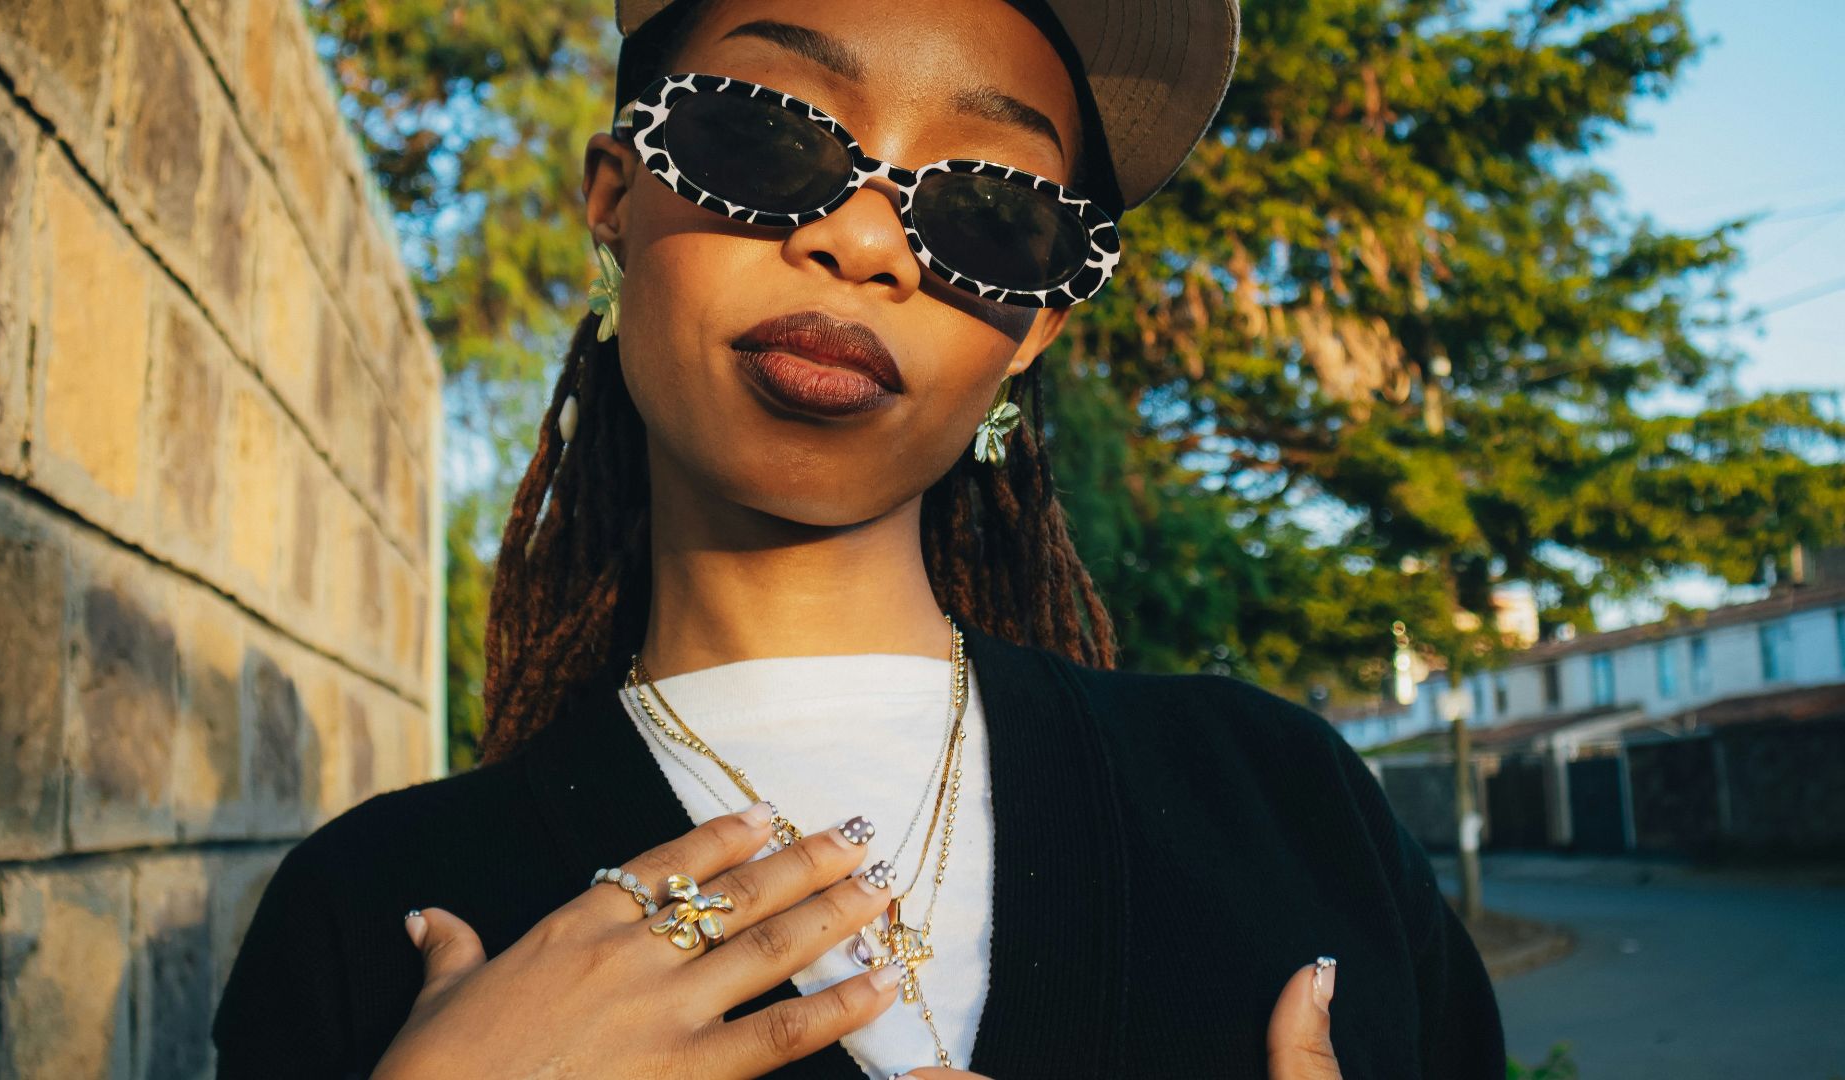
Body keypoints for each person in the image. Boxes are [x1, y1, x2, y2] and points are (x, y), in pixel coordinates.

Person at [212, 0, 1507, 1076]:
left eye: (990, 210)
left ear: (1031, 330)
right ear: (615, 196)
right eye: (761, 137)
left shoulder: (1288, 802)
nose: (862, 239)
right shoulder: (375, 912)